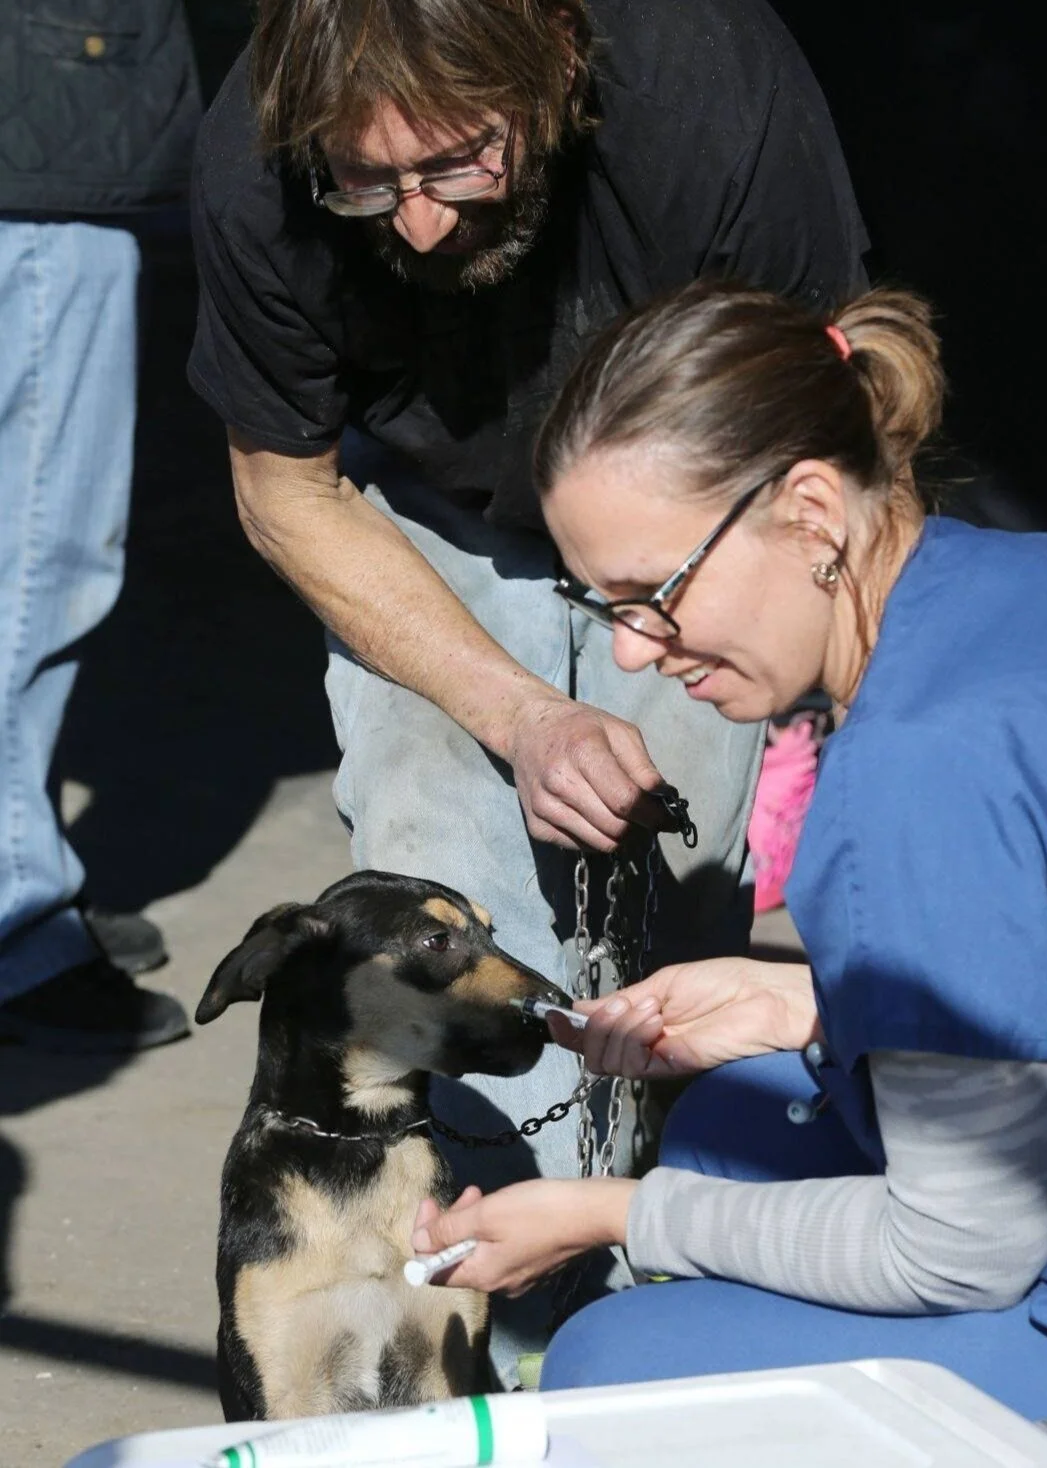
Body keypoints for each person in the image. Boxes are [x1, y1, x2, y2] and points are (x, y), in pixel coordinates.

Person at [187, 0, 867, 1377]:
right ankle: (487, 1349)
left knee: (667, 927)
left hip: (686, 491)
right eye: (366, 182)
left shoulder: (704, 87)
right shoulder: (257, 150)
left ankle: (653, 1297)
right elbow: (284, 486)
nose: (418, 220)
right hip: (427, 506)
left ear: (552, 70)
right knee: (431, 896)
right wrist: (519, 712)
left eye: (457, 163)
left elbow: (828, 412)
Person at [409, 281, 1047, 1423]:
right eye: (603, 603)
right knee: (729, 1124)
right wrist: (809, 1005)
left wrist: (606, 1214)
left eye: (653, 593)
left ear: (811, 512)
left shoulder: (914, 772)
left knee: (608, 1370)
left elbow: (963, 1247)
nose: (631, 653)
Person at [0, 0, 199, 1052]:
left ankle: (22, 870)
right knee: (38, 566)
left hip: (43, 128)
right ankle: (16, 924)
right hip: (39, 128)